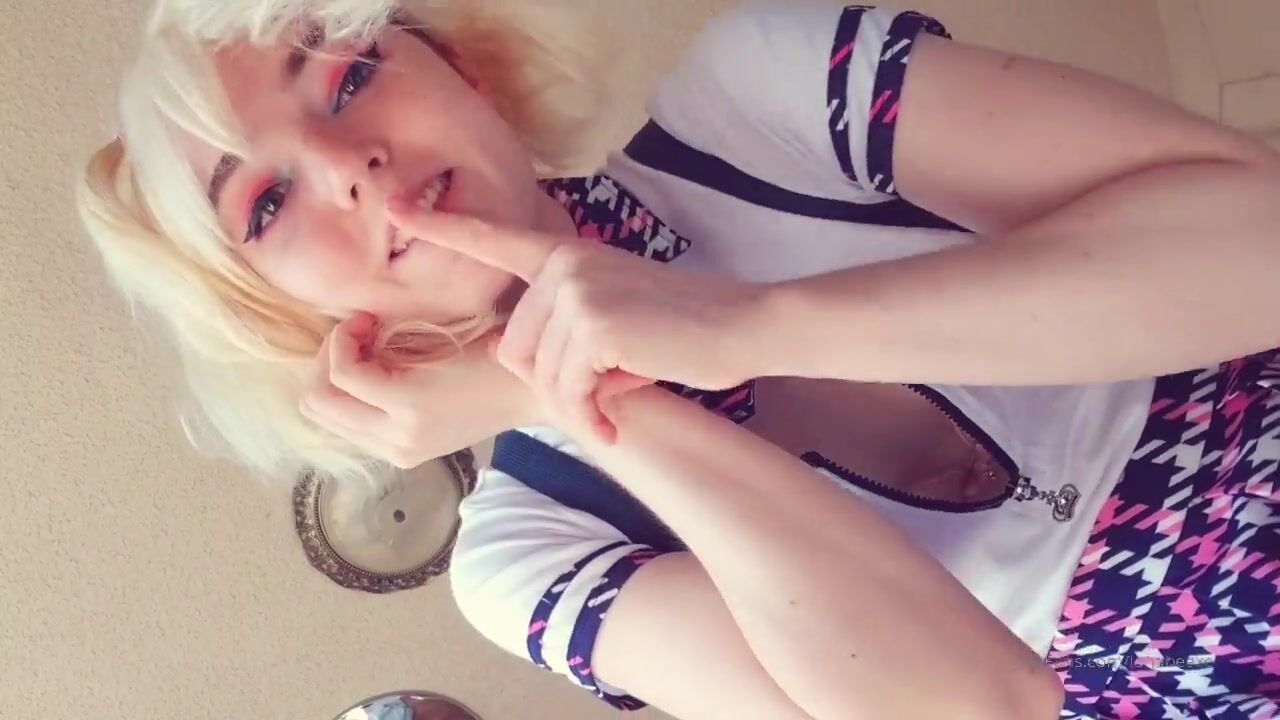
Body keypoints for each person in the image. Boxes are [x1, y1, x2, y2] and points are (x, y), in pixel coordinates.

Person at [78, 0, 1280, 717]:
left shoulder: (751, 93)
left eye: (348, 77)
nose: (348, 168)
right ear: (274, 307)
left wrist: (745, 325)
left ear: (464, 69)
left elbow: (1260, 237)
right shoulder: (523, 557)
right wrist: (580, 388)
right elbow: (985, 706)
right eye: (267, 203)